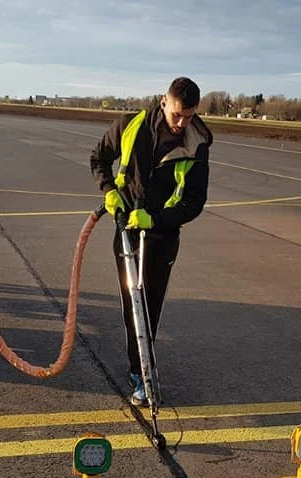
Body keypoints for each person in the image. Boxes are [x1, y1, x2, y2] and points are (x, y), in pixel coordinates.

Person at [90, 77, 213, 406]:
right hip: (127, 229)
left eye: (189, 116)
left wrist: (156, 220)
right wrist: (110, 192)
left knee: (150, 306)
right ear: (164, 102)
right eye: (177, 115)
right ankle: (139, 371)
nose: (182, 123)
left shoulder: (197, 144)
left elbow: (194, 203)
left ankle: (143, 369)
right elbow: (98, 159)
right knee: (133, 301)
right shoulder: (131, 127)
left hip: (163, 234)